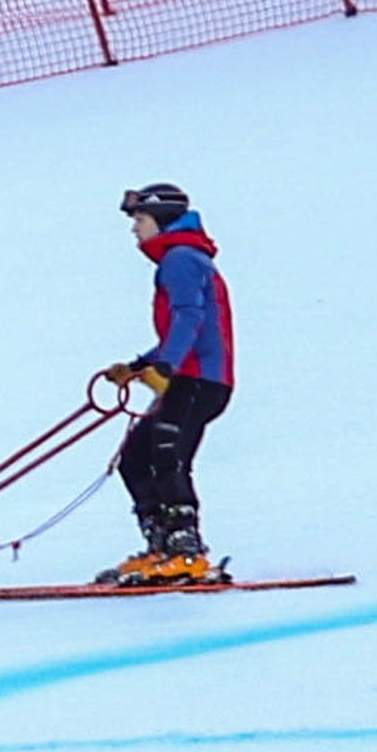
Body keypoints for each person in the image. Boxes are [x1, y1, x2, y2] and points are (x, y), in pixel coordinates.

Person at [100, 183, 235, 585]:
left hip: (199, 380)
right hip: (188, 377)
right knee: (136, 458)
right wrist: (139, 366)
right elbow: (184, 326)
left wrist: (166, 367)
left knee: (166, 453)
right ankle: (162, 545)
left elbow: (190, 320)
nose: (134, 230)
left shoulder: (180, 259)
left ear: (161, 220)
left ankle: (185, 551)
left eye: (140, 221)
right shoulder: (181, 258)